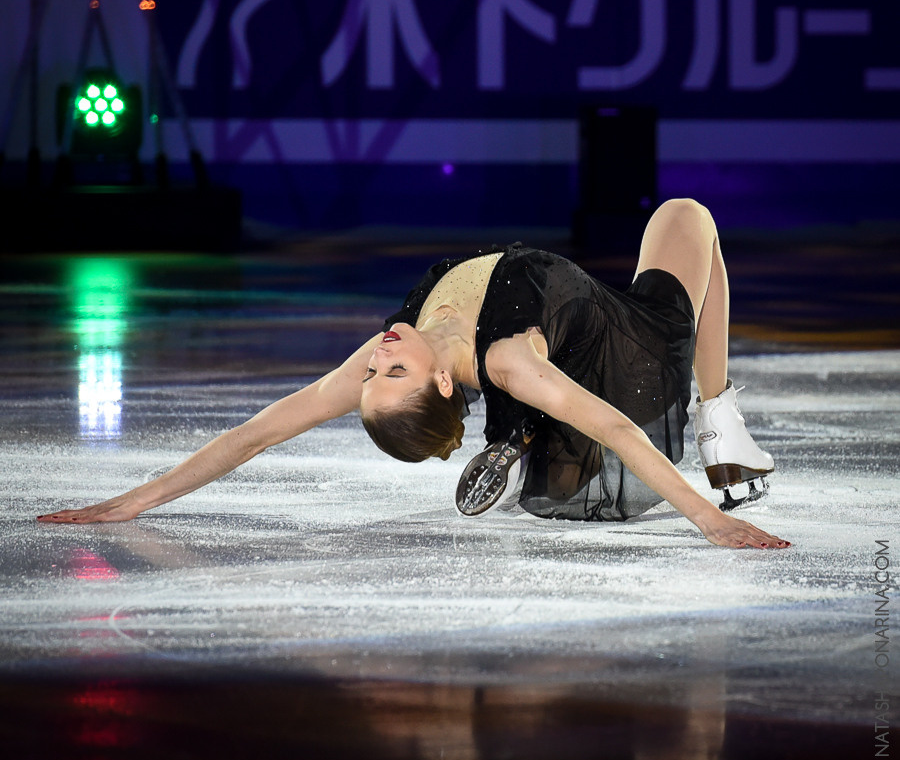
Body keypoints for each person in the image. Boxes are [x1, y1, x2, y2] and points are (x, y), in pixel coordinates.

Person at [38, 200, 789, 550]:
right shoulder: (501, 357)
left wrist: (132, 501)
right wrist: (711, 519)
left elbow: (256, 432)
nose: (378, 349)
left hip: (571, 345)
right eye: (389, 368)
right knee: (688, 218)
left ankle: (523, 429)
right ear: (436, 384)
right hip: (632, 362)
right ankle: (715, 421)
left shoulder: (400, 342)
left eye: (372, 366)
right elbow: (617, 427)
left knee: (547, 379)